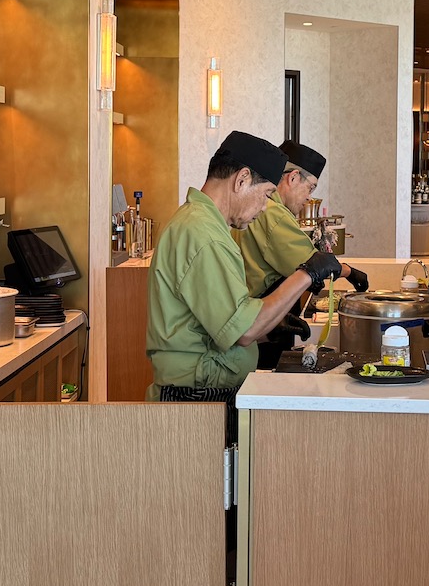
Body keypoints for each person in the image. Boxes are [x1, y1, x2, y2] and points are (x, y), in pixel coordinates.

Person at [146, 131, 341, 402]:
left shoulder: (202, 224)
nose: (264, 207)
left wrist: (269, 328)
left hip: (206, 384)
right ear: (242, 179)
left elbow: (210, 324)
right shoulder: (203, 234)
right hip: (198, 394)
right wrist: (307, 273)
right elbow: (243, 331)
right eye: (265, 194)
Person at [235, 139, 370, 368]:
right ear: (293, 177)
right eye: (311, 188)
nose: (309, 197)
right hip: (260, 320)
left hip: (258, 319)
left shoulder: (267, 208)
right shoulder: (274, 212)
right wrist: (350, 273)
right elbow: (313, 265)